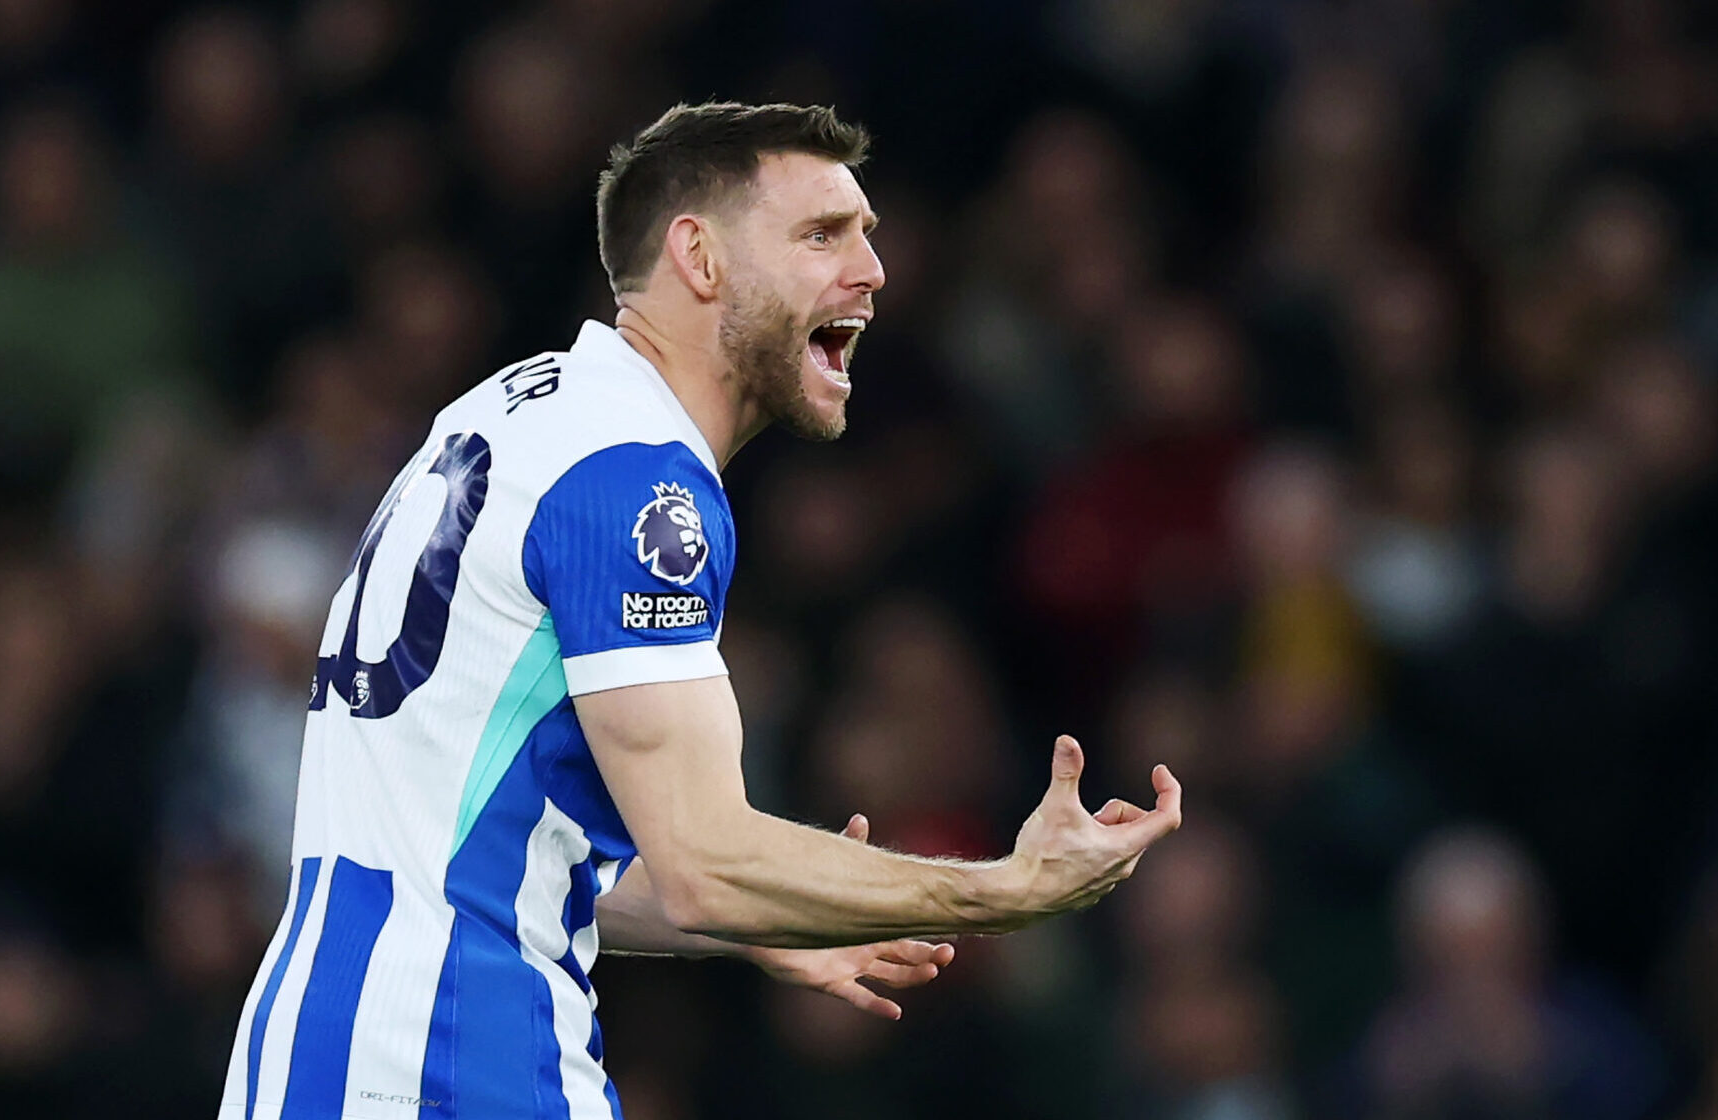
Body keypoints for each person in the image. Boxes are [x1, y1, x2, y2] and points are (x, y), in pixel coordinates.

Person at [217, 101, 1183, 1120]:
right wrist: (1007, 889)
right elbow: (703, 862)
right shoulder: (639, 481)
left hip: (314, 1053)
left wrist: (771, 918)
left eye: (866, 235)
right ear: (700, 257)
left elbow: (509, 849)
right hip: (452, 1060)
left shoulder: (505, 413)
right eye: (821, 234)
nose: (871, 271)